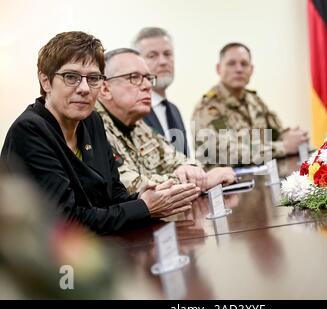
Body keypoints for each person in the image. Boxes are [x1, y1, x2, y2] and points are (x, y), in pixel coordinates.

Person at [0, 32, 199, 234]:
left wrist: (145, 198)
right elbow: (66, 223)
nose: (85, 89)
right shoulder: (30, 130)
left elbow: (113, 196)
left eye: (93, 78)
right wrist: (143, 207)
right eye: (71, 77)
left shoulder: (92, 120)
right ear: (46, 81)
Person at [96, 48, 236, 194]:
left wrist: (192, 171)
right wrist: (202, 180)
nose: (148, 86)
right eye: (135, 77)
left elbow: (177, 160)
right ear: (105, 88)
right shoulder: (90, 127)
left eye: (148, 78)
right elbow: (128, 187)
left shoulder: (137, 124)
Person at [192, 42, 310, 166]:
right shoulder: (208, 108)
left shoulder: (255, 101)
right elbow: (225, 153)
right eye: (231, 64)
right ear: (218, 68)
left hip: (265, 178)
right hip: (228, 183)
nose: (238, 69)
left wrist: (293, 137)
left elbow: (276, 133)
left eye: (244, 64)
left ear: (251, 70)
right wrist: (283, 147)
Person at [133, 27, 189, 156]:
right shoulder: (133, 111)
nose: (163, 61)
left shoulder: (174, 110)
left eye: (167, 54)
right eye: (152, 56)